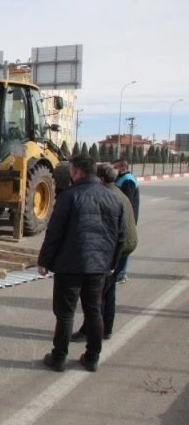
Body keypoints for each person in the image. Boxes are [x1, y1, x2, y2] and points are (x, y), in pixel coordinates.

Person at [37, 156, 126, 372]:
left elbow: (54, 233)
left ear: (76, 172)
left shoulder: (69, 196)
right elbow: (120, 236)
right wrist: (113, 263)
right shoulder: (113, 198)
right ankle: (92, 357)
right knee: (94, 311)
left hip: (70, 266)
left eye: (71, 171)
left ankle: (59, 357)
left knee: (65, 314)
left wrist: (44, 261)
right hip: (99, 266)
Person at [72, 164, 137, 342]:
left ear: (100, 179)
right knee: (109, 291)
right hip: (126, 245)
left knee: (96, 295)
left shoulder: (106, 196)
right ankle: (106, 329)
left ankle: (90, 332)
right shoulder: (117, 192)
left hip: (117, 248)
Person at [112, 158, 139, 283]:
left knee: (124, 246)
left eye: (116, 167)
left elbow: (127, 201)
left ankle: (121, 274)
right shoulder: (120, 178)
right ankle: (119, 272)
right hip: (121, 216)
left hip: (127, 217)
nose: (114, 169)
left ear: (123, 168)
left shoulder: (128, 180)